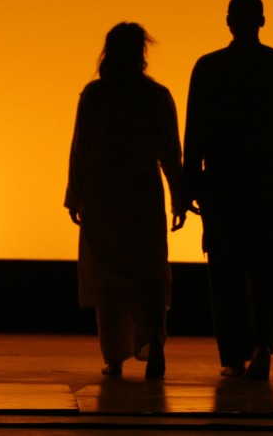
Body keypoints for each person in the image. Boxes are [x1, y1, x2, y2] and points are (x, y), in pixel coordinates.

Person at [182, 0, 273, 379]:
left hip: (223, 181)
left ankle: (234, 356)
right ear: (262, 21)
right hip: (269, 182)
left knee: (225, 270)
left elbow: (195, 131)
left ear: (228, 21)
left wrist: (190, 184)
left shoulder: (208, 67)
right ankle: (261, 346)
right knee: (268, 268)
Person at [65, 22, 185, 379]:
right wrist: (178, 197)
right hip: (142, 194)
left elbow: (81, 149)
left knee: (107, 276)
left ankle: (115, 356)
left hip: (103, 195)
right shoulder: (157, 96)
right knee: (148, 273)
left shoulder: (95, 95)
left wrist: (74, 194)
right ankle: (153, 341)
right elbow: (170, 153)